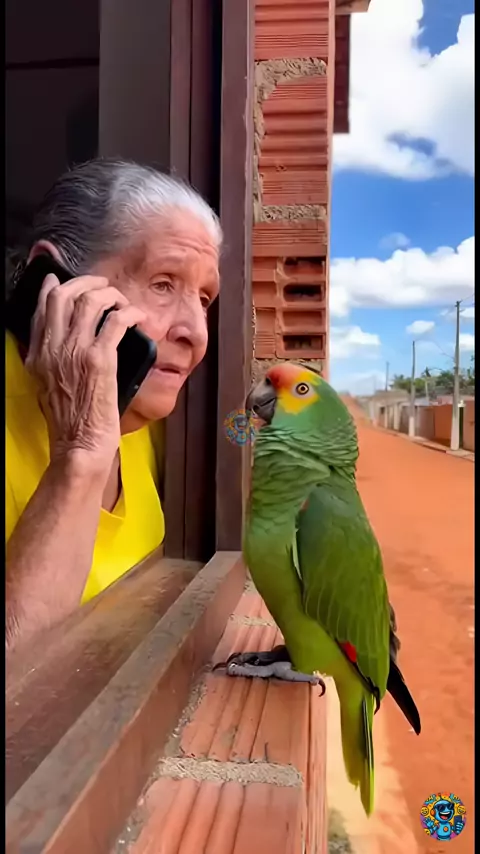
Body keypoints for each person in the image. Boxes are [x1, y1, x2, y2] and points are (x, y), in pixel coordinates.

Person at [6, 158, 222, 650]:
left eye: (205, 299)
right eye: (163, 283)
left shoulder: (148, 419)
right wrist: (81, 453)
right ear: (53, 282)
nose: (196, 332)